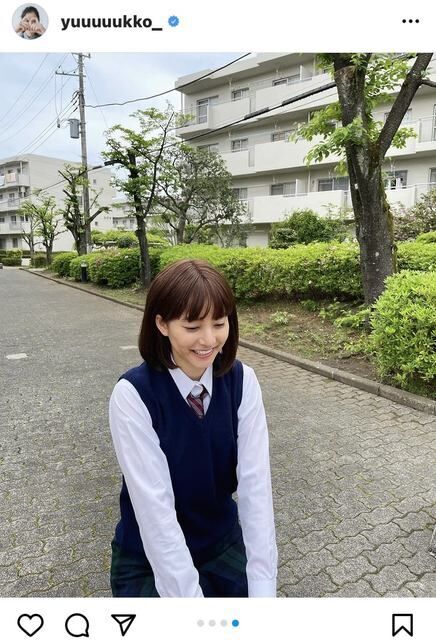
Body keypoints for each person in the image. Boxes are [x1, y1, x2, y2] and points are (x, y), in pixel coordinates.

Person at [109, 258, 277, 597]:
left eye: (219, 323)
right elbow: (155, 512)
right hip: (148, 555)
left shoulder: (242, 382)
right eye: (192, 326)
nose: (209, 340)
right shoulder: (133, 395)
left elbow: (256, 487)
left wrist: (263, 588)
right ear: (162, 324)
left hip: (221, 541)